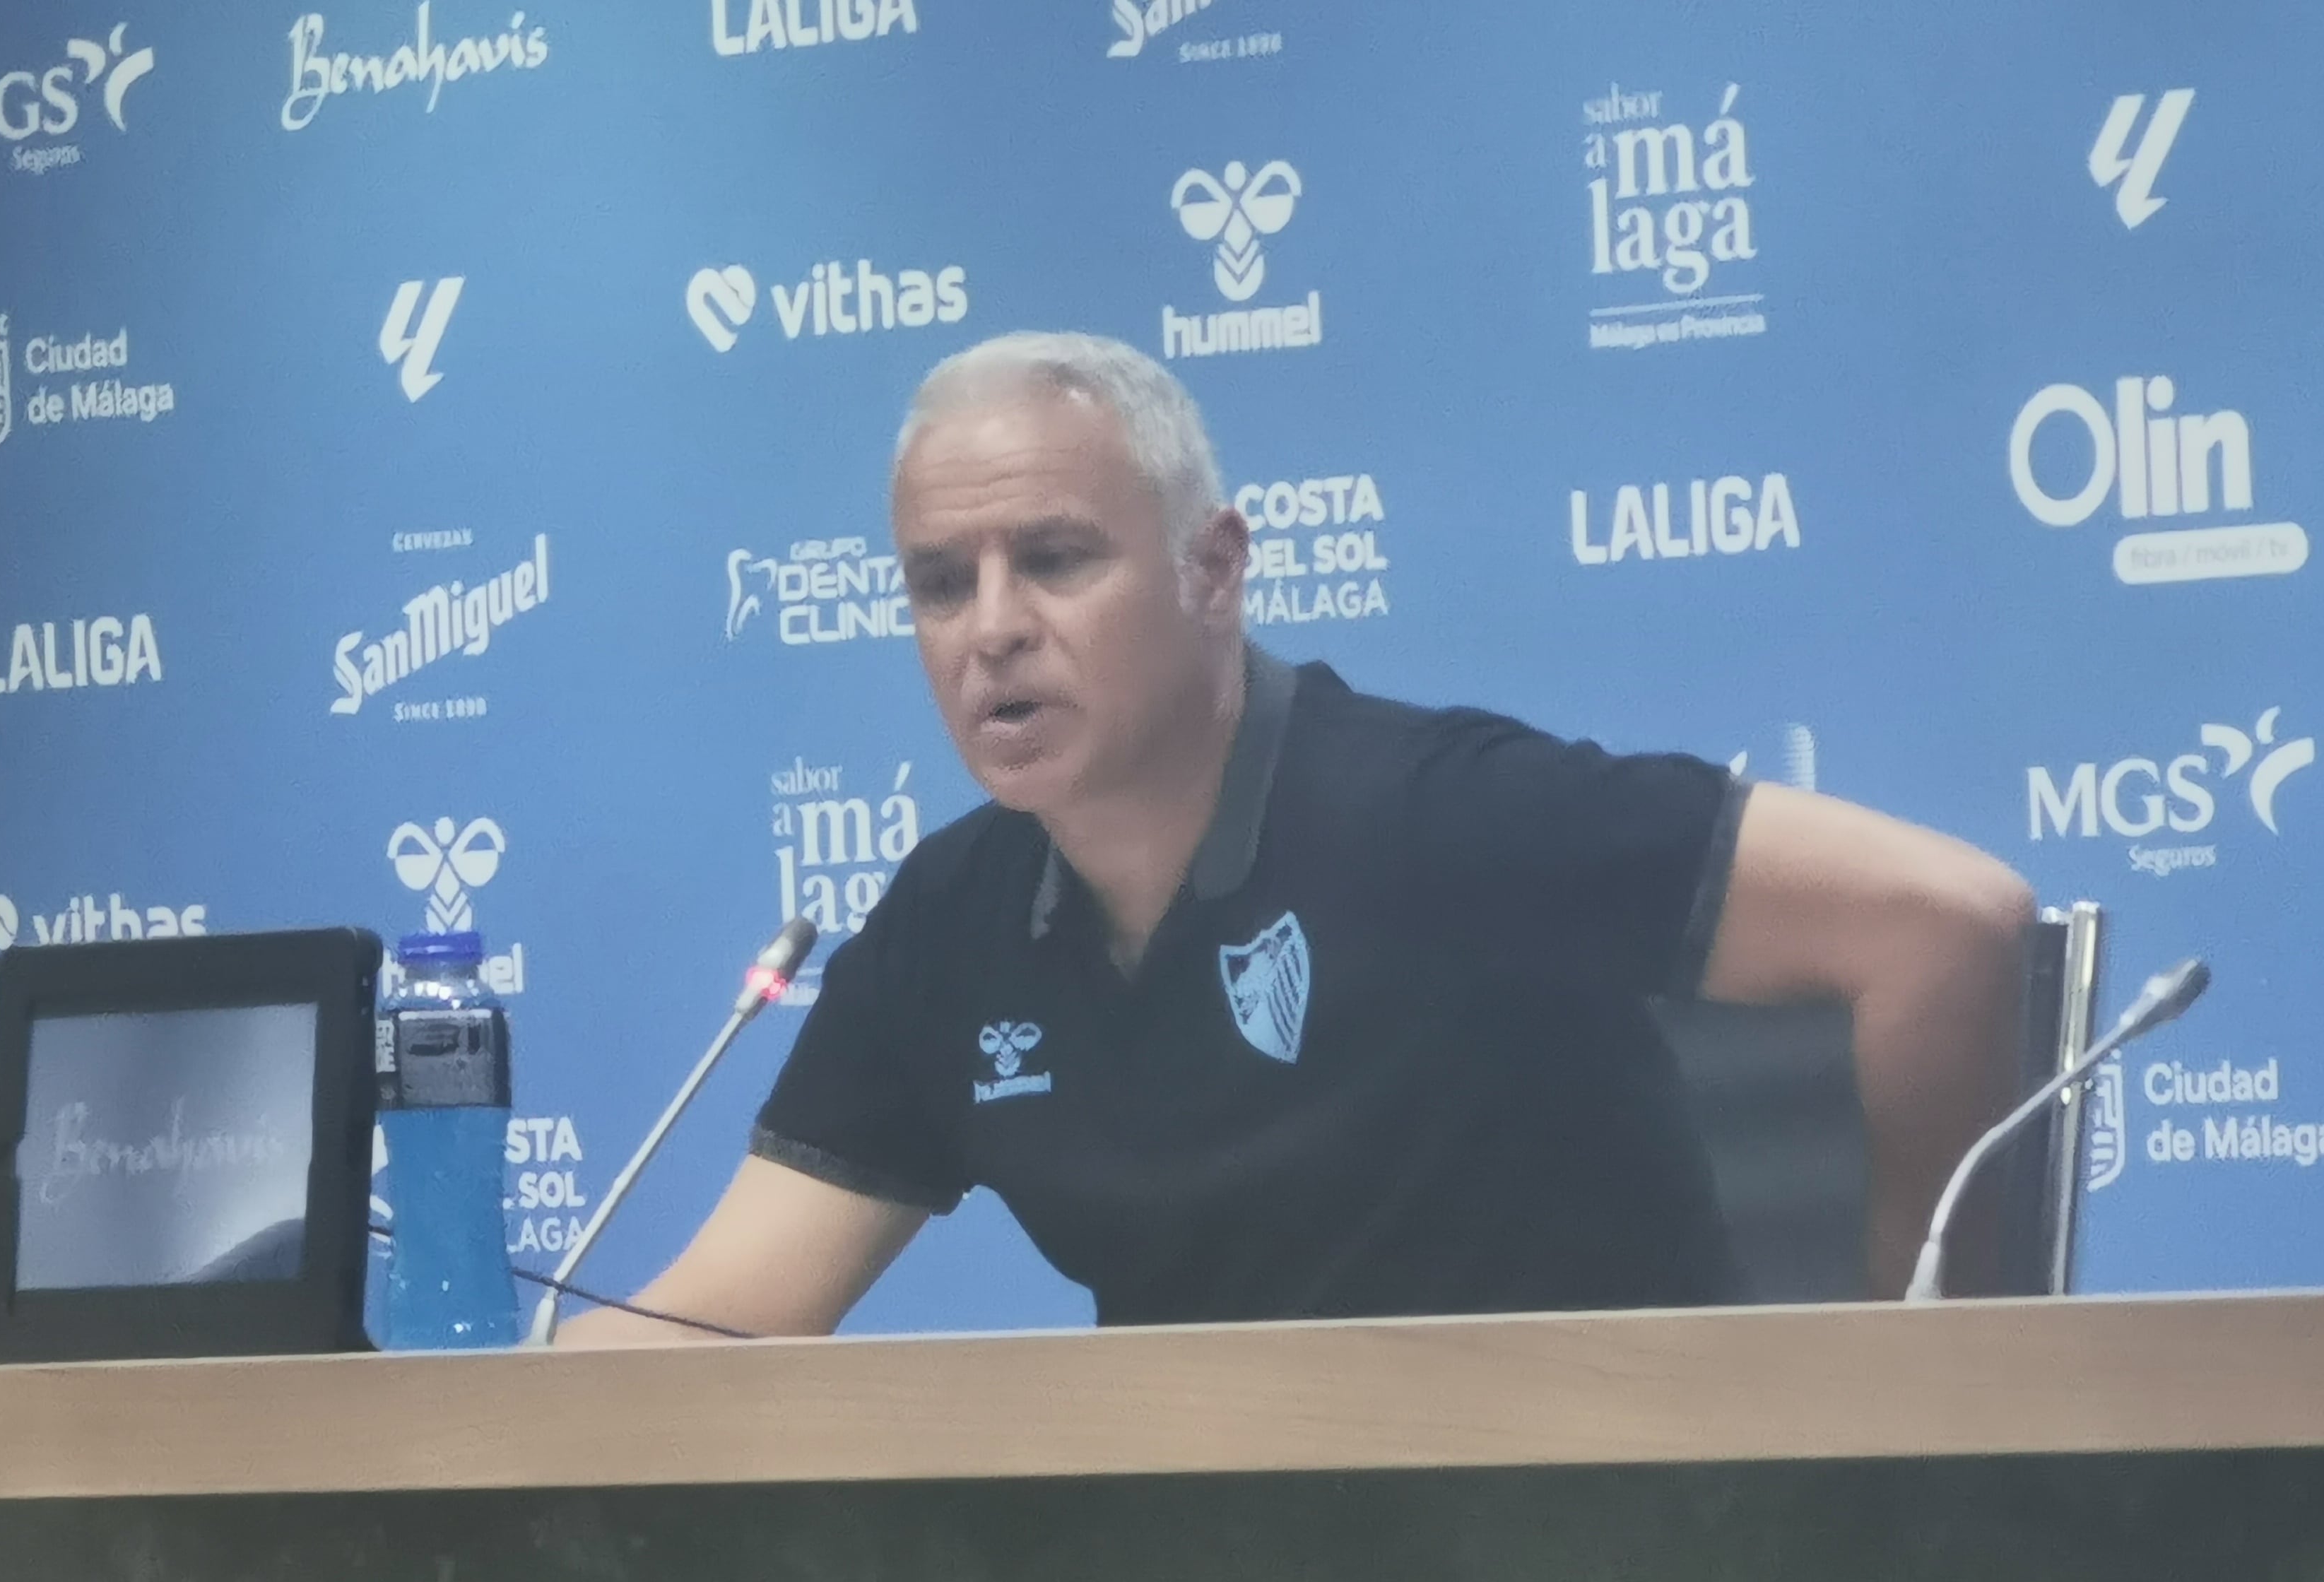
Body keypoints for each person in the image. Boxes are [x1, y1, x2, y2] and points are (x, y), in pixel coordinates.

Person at [561, 332, 2033, 1343]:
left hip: (1622, 1581)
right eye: (941, 584)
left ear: (1214, 569)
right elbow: (724, 1321)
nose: (993, 628)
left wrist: (1904, 1408)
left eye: (1057, 560)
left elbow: (1946, 920)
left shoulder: (1444, 817)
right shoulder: (952, 919)